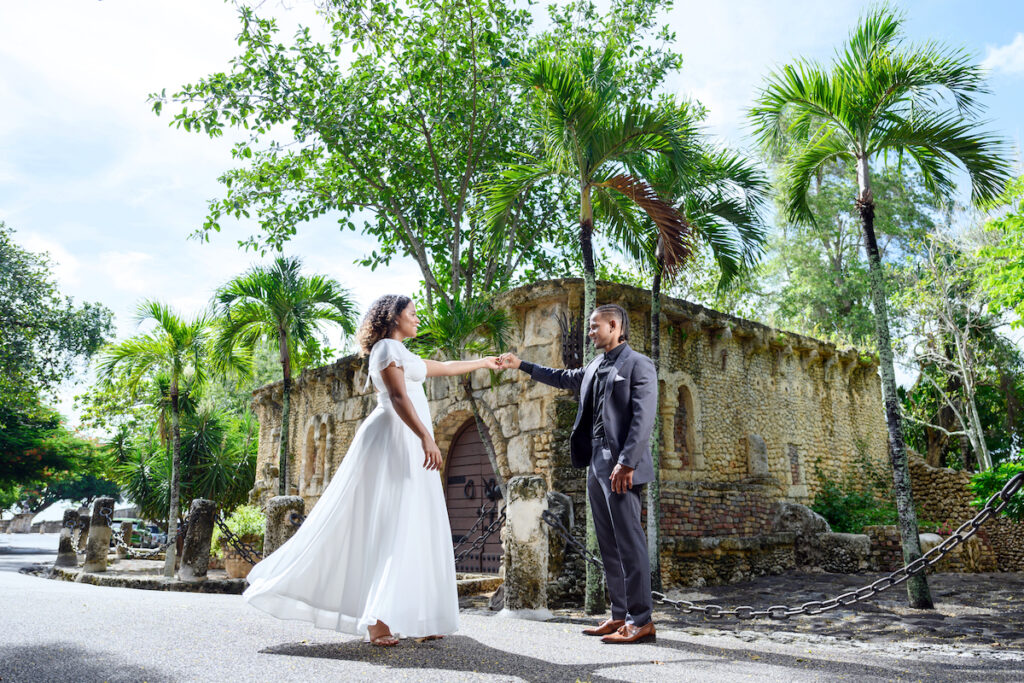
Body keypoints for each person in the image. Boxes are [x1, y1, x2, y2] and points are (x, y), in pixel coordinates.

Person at [244, 294, 501, 647]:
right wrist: (427, 436)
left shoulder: (402, 353)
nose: (416, 318)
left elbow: (445, 367)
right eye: (411, 314)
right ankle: (377, 622)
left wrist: (484, 361)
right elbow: (398, 398)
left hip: (410, 443)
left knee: (417, 522)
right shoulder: (384, 350)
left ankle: (420, 615)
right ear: (394, 317)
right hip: (393, 441)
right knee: (390, 521)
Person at [499, 303, 657, 644]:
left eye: (594, 326)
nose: (589, 332)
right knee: (608, 543)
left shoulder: (639, 364)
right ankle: (619, 616)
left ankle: (641, 619)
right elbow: (561, 377)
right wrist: (521, 364)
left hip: (621, 465)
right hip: (595, 461)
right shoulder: (595, 365)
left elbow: (643, 418)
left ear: (614, 326)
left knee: (629, 541)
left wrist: (627, 462)